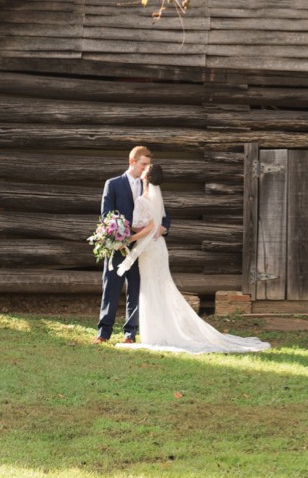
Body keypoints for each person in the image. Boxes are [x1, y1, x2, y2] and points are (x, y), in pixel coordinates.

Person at [115, 161, 270, 355]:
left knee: (152, 288)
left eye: (144, 169)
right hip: (158, 248)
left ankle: (157, 334)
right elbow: (155, 226)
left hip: (149, 250)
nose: (142, 170)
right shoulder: (157, 198)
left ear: (146, 176)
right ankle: (160, 331)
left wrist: (127, 237)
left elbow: (147, 228)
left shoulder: (143, 199)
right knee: (158, 288)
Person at [95, 145, 170, 344]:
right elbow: (106, 215)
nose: (146, 169)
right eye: (143, 164)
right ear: (132, 162)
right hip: (118, 247)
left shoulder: (150, 186)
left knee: (136, 289)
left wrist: (163, 227)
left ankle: (130, 333)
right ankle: (103, 333)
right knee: (111, 288)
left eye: (148, 165)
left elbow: (163, 213)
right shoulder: (113, 184)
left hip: (142, 248)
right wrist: (117, 236)